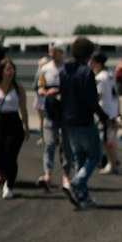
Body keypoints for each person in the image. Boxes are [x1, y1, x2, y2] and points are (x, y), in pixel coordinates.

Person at [59, 36, 107, 209]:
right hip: (84, 120)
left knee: (79, 157)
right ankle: (76, 183)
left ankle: (82, 196)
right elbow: (91, 101)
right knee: (94, 155)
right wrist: (103, 116)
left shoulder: (64, 71)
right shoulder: (86, 73)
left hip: (68, 120)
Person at [0, 58, 29, 200]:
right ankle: (4, 176)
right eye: (8, 69)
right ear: (1, 71)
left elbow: (23, 108)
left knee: (11, 155)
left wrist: (26, 126)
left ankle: (9, 185)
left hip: (14, 122)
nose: (10, 72)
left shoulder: (18, 88)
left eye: (12, 69)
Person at [35, 42, 72, 190]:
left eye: (56, 51)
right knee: (49, 144)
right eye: (51, 50)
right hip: (50, 110)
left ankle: (66, 176)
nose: (52, 53)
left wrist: (57, 91)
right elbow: (40, 86)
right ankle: (47, 175)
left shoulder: (68, 69)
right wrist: (44, 91)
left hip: (66, 111)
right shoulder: (45, 69)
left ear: (62, 53)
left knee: (66, 145)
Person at [91, 52, 121, 173]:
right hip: (112, 111)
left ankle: (112, 164)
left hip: (105, 113)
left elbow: (98, 96)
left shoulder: (100, 78)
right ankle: (112, 161)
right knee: (110, 140)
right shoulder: (110, 75)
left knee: (106, 141)